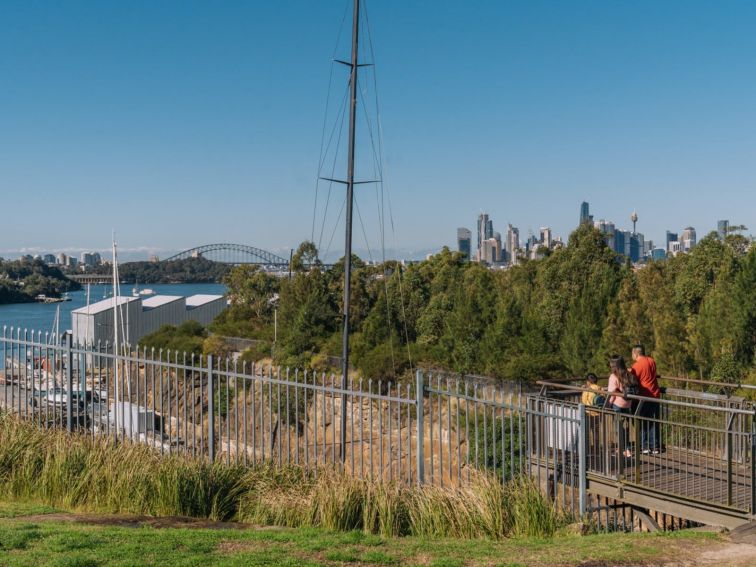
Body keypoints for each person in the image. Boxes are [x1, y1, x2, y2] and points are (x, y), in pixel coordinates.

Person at [632, 344, 661, 454]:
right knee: (653, 421)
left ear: (636, 353)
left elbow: (634, 380)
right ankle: (655, 446)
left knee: (642, 421)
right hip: (655, 395)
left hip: (643, 396)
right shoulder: (652, 361)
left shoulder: (636, 366)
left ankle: (644, 446)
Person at [608, 355, 636, 458]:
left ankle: (624, 449)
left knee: (618, 428)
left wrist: (609, 404)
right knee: (625, 428)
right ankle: (625, 448)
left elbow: (611, 393)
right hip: (628, 404)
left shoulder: (613, 376)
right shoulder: (628, 374)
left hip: (617, 405)